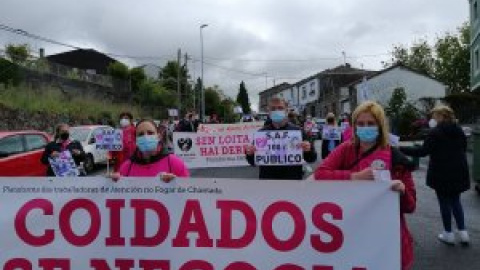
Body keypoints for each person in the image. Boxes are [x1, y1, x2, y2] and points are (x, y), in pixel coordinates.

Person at [314, 101, 416, 270]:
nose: (365, 128)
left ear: (380, 126)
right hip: (352, 233)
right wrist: (353, 176)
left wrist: (403, 191)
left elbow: (411, 206)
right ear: (354, 126)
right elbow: (321, 173)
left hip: (388, 239)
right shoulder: (346, 149)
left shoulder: (397, 158)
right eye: (360, 124)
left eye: (370, 123)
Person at [400, 105, 470, 245]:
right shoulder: (459, 130)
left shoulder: (435, 132)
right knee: (456, 201)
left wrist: (400, 148)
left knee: (444, 202)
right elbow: (463, 147)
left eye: (434, 116)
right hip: (459, 170)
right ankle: (463, 233)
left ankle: (448, 234)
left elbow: (423, 151)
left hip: (441, 172)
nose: (432, 119)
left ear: (441, 116)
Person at [245, 97, 317, 180]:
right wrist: (250, 154)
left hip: (292, 182)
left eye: (280, 108)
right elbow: (253, 162)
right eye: (273, 108)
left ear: (286, 110)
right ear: (269, 112)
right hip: (268, 182)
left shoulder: (298, 132)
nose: (277, 111)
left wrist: (308, 149)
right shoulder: (262, 133)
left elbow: (312, 158)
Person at [110, 119, 190, 182]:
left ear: (158, 136)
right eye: (141, 134)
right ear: (136, 140)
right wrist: (111, 183)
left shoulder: (174, 163)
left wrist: (177, 183)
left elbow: (189, 193)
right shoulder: (126, 168)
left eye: (150, 133)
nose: (146, 136)